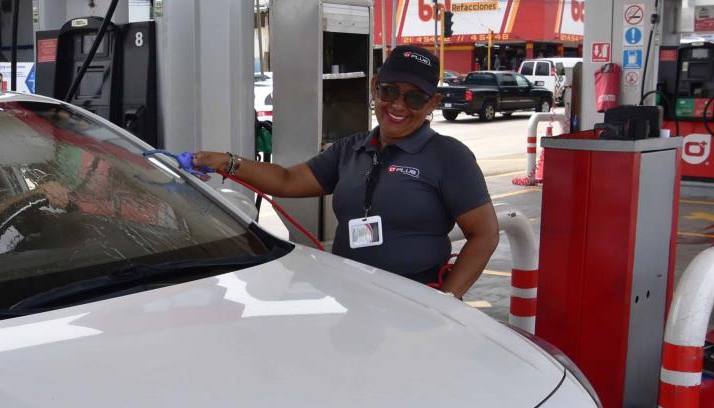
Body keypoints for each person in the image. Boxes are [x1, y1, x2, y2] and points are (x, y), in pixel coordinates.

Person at [193, 45, 499, 299]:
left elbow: (484, 234)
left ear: (433, 103)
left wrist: (447, 300)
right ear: (375, 87)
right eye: (389, 91)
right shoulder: (351, 149)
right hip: (351, 296)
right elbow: (287, 181)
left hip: (415, 304)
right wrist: (228, 162)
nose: (398, 105)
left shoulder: (449, 156)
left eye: (414, 97)